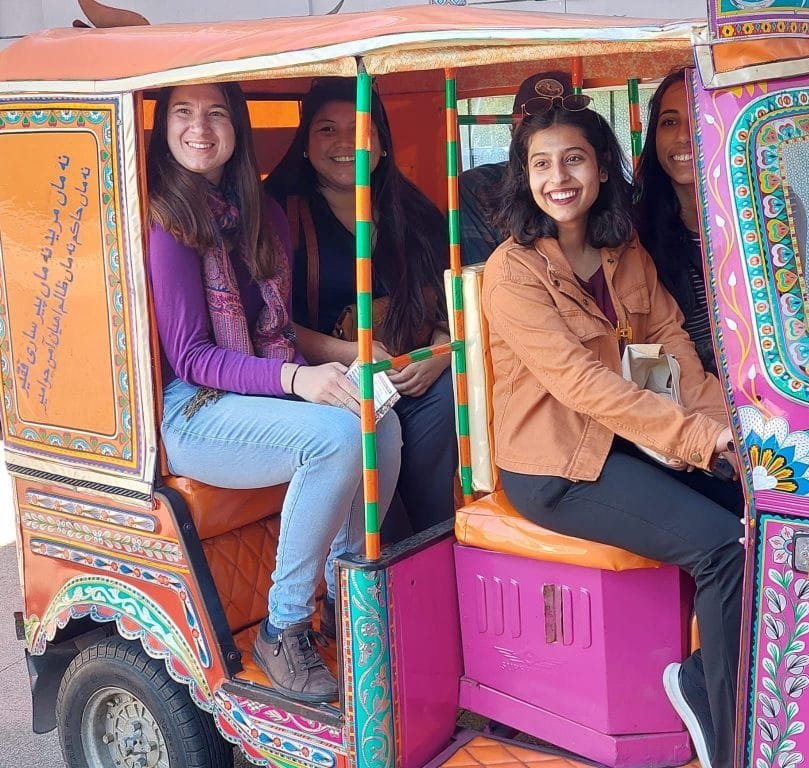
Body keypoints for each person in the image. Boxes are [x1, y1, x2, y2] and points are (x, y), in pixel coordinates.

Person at [482, 100, 743, 768]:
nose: (558, 177)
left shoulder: (620, 249)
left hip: (626, 436)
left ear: (601, 168)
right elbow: (580, 385)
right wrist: (696, 440)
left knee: (761, 508)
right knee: (721, 549)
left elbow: (667, 340)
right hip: (557, 463)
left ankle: (715, 673)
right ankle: (731, 738)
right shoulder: (514, 271)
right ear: (525, 176)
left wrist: (728, 429)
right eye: (541, 164)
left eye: (573, 159)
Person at [147, 82, 402, 704]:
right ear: (164, 127)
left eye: (215, 113)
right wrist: (298, 380)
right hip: (195, 409)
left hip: (263, 390)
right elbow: (193, 357)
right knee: (339, 435)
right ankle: (283, 625)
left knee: (379, 415)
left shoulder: (262, 212)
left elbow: (278, 329)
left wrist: (354, 360)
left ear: (237, 126)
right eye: (183, 112)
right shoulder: (168, 222)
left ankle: (346, 598)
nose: (200, 128)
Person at [264, 78, 457, 540]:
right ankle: (381, 580)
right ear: (306, 146)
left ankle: (437, 549)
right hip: (326, 382)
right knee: (377, 498)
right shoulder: (277, 214)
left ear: (382, 144)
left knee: (453, 396)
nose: (344, 143)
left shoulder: (416, 212)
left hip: (415, 376)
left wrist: (442, 350)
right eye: (327, 130)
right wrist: (352, 353)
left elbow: (452, 301)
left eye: (360, 128)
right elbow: (267, 321)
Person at [634, 69, 717, 375]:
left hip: (757, 386)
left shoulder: (769, 207)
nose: (684, 135)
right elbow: (647, 344)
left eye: (699, 116)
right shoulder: (632, 226)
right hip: (678, 393)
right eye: (669, 122)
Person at [459, 71, 574, 265]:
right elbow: (481, 277)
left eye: (561, 122)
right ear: (512, 130)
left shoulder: (598, 187)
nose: (548, 132)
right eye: (533, 125)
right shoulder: (477, 187)